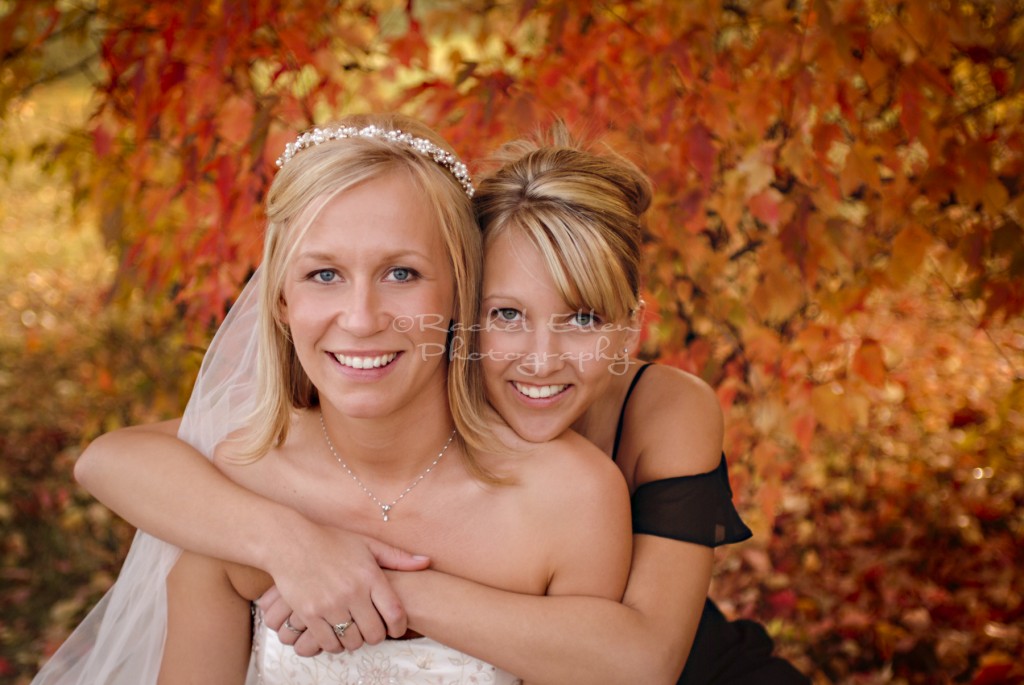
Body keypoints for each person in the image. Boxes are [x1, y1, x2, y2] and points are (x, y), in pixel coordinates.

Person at [69, 124, 809, 683]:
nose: (541, 359)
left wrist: (372, 584)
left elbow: (642, 658)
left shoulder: (635, 436)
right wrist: (287, 542)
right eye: (507, 315)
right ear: (466, 306)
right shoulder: (267, 464)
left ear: (629, 325)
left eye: (582, 319)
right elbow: (115, 457)